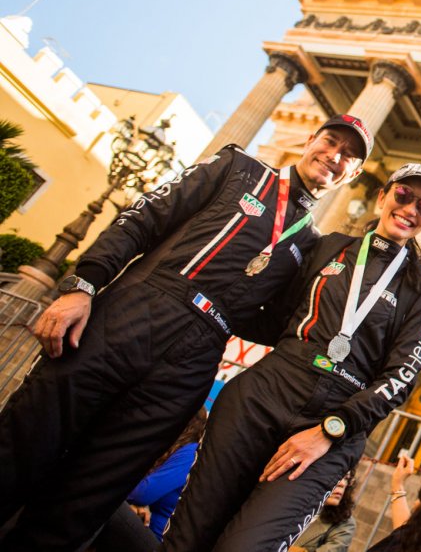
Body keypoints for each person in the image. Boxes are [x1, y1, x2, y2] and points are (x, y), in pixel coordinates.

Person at [0, 114, 372, 552]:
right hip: (134, 315)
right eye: (330, 142)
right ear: (311, 140)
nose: (334, 156)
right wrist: (83, 285)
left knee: (91, 494)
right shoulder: (237, 168)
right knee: (24, 441)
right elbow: (144, 219)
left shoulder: (309, 244)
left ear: (355, 174)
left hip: (194, 362)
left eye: (348, 156)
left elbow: (279, 321)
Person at [162, 163, 421, 552]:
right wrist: (196, 311)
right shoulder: (328, 246)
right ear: (383, 197)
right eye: (403, 195)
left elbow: (401, 377)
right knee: (187, 538)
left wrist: (332, 429)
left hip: (332, 426)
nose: (411, 208)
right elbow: (270, 309)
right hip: (264, 395)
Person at [92, 409, 208, 551]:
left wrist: (134, 502)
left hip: (160, 544)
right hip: (147, 527)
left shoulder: (191, 452)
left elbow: (141, 494)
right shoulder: (175, 450)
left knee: (104, 500)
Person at [290, 470, 358, 552]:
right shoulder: (291, 502)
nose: (342, 483)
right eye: (338, 476)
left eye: (346, 478)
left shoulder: (345, 523)